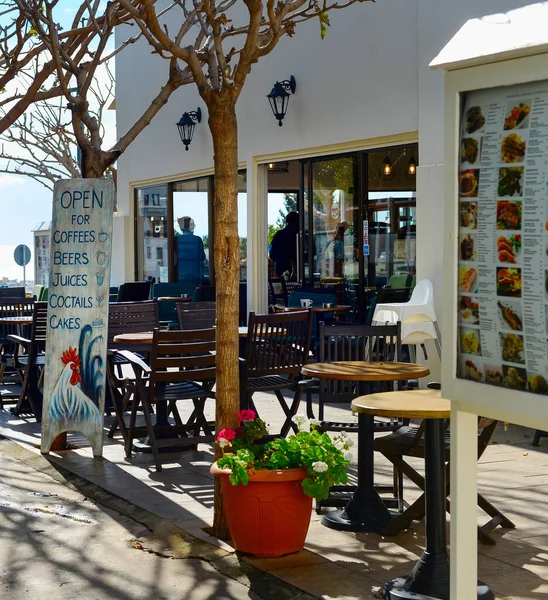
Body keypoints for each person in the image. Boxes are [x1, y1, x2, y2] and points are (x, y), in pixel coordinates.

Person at [176, 216, 206, 287]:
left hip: (179, 277)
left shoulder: (175, 240)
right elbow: (202, 257)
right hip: (195, 278)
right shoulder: (197, 240)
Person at [269, 211, 299, 277]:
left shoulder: (279, 235)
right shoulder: (302, 236)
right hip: (300, 271)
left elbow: (272, 254)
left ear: (287, 222)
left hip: (281, 271)